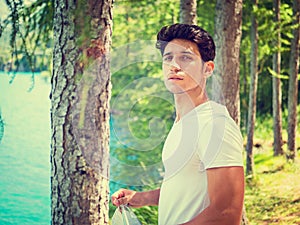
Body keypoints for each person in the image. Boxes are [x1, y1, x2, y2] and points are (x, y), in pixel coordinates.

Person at [111, 23, 245, 225]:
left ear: (207, 69)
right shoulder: (183, 121)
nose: (174, 65)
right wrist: (140, 198)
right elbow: (184, 188)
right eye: (168, 58)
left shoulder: (215, 124)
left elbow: (227, 213)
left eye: (186, 57)